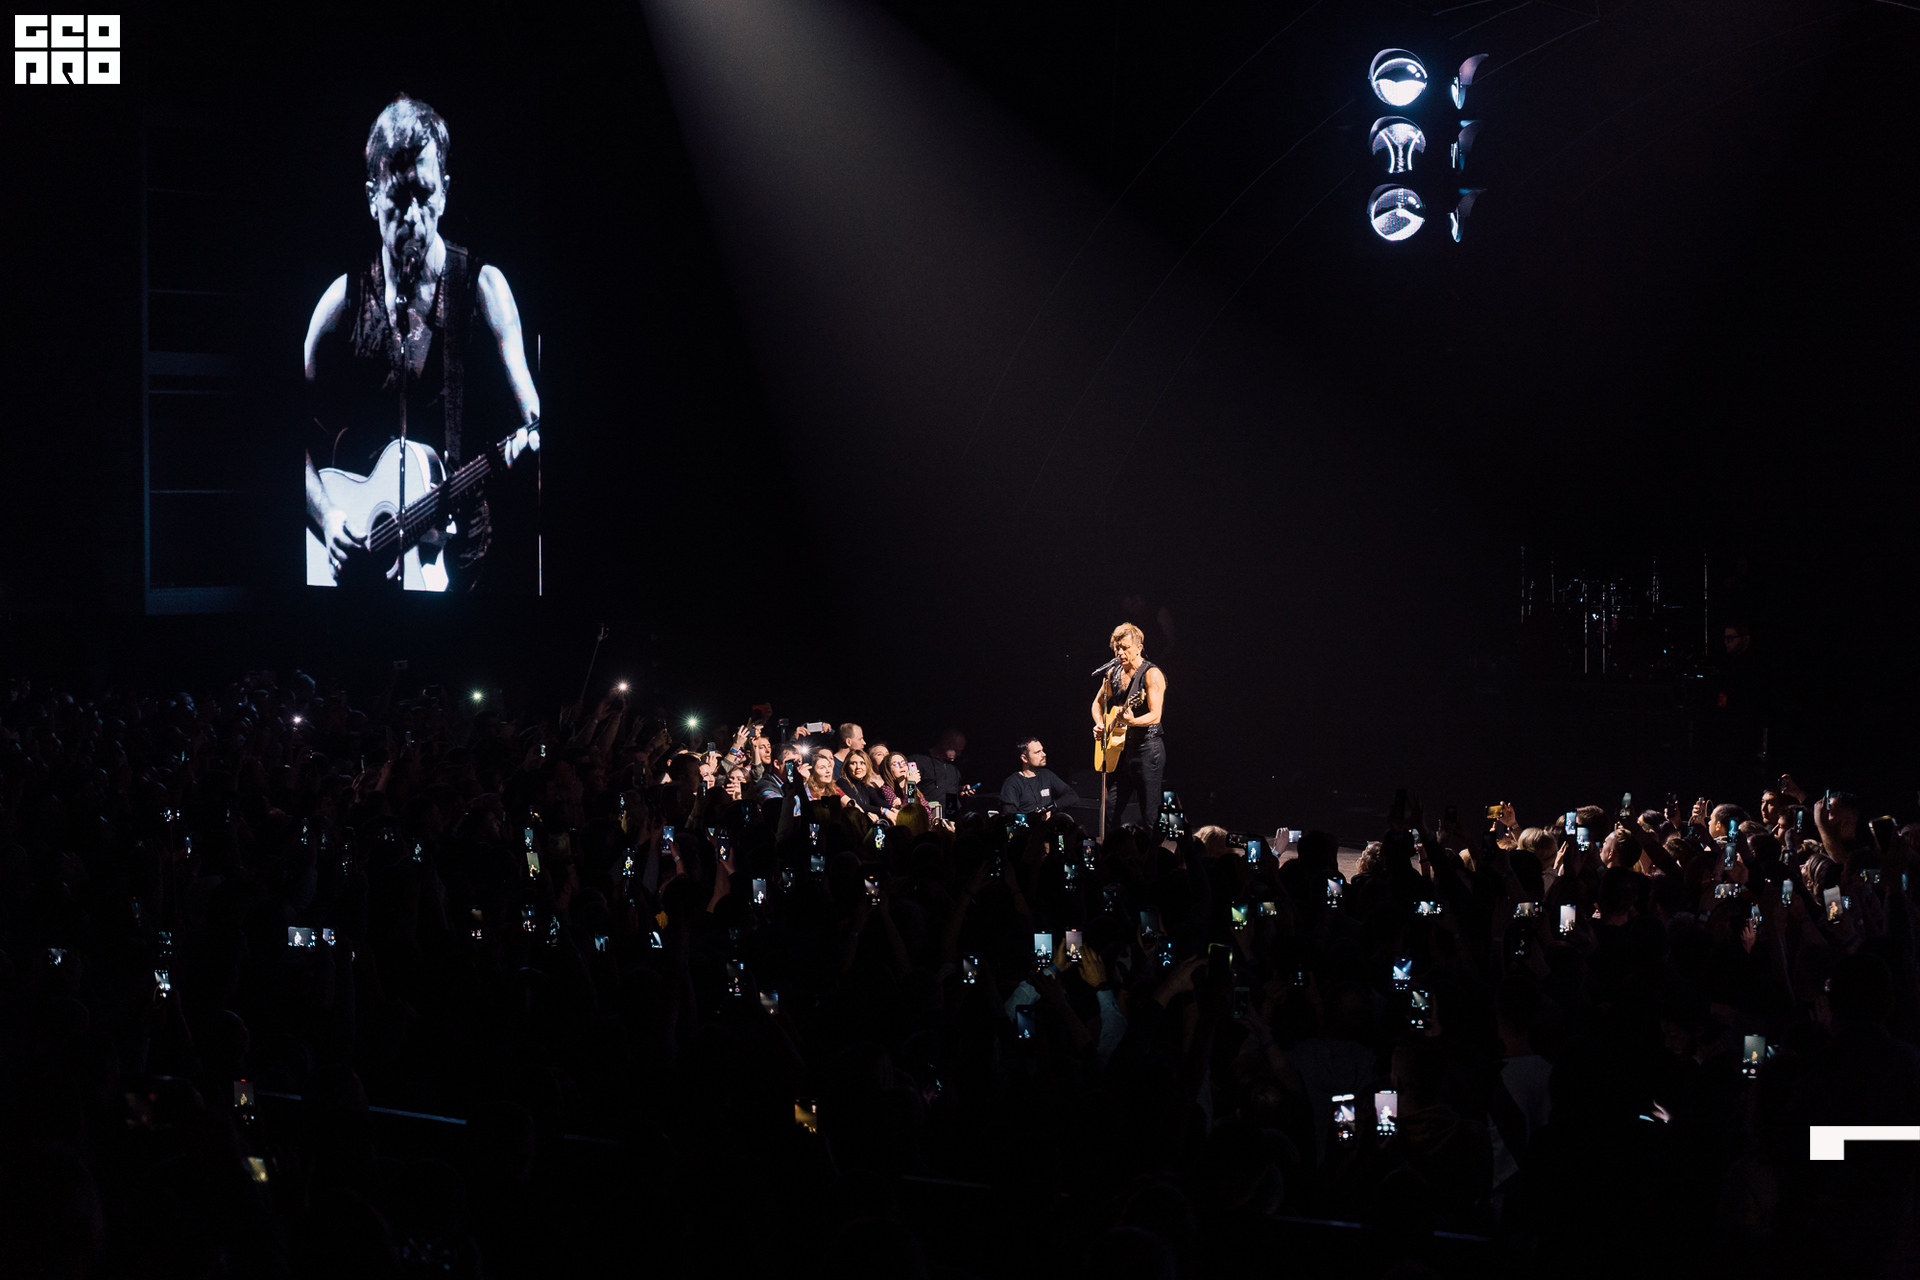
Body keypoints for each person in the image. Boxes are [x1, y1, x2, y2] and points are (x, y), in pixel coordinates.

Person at [304, 95, 541, 591]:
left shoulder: (483, 291)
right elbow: (283, 432)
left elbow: (534, 417)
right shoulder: (341, 305)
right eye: (398, 196)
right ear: (372, 197)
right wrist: (327, 516)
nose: (413, 215)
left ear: (446, 193)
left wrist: (531, 443)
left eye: (426, 194)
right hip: (363, 584)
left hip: (466, 574)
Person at [1092, 622, 1166, 830]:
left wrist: (1132, 722)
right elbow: (1097, 703)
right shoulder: (1113, 673)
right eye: (1117, 648)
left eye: (1125, 648)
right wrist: (1099, 724)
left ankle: (1151, 850)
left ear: (1139, 647)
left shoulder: (1151, 674)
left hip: (1147, 748)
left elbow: (1155, 715)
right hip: (1120, 750)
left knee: (1150, 815)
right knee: (1109, 810)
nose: (1120, 653)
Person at [998, 738, 1079, 815]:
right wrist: (1034, 817)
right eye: (1037, 752)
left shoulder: (1047, 775)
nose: (1044, 754)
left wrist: (1051, 807)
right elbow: (1009, 815)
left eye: (1042, 750)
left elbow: (1072, 795)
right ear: (1024, 758)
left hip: (1046, 825)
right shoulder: (1012, 782)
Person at [909, 729, 968, 816]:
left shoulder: (953, 767)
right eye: (956, 750)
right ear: (945, 745)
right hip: (928, 816)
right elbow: (909, 790)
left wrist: (961, 789)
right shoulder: (918, 760)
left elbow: (949, 789)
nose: (959, 754)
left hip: (951, 816)